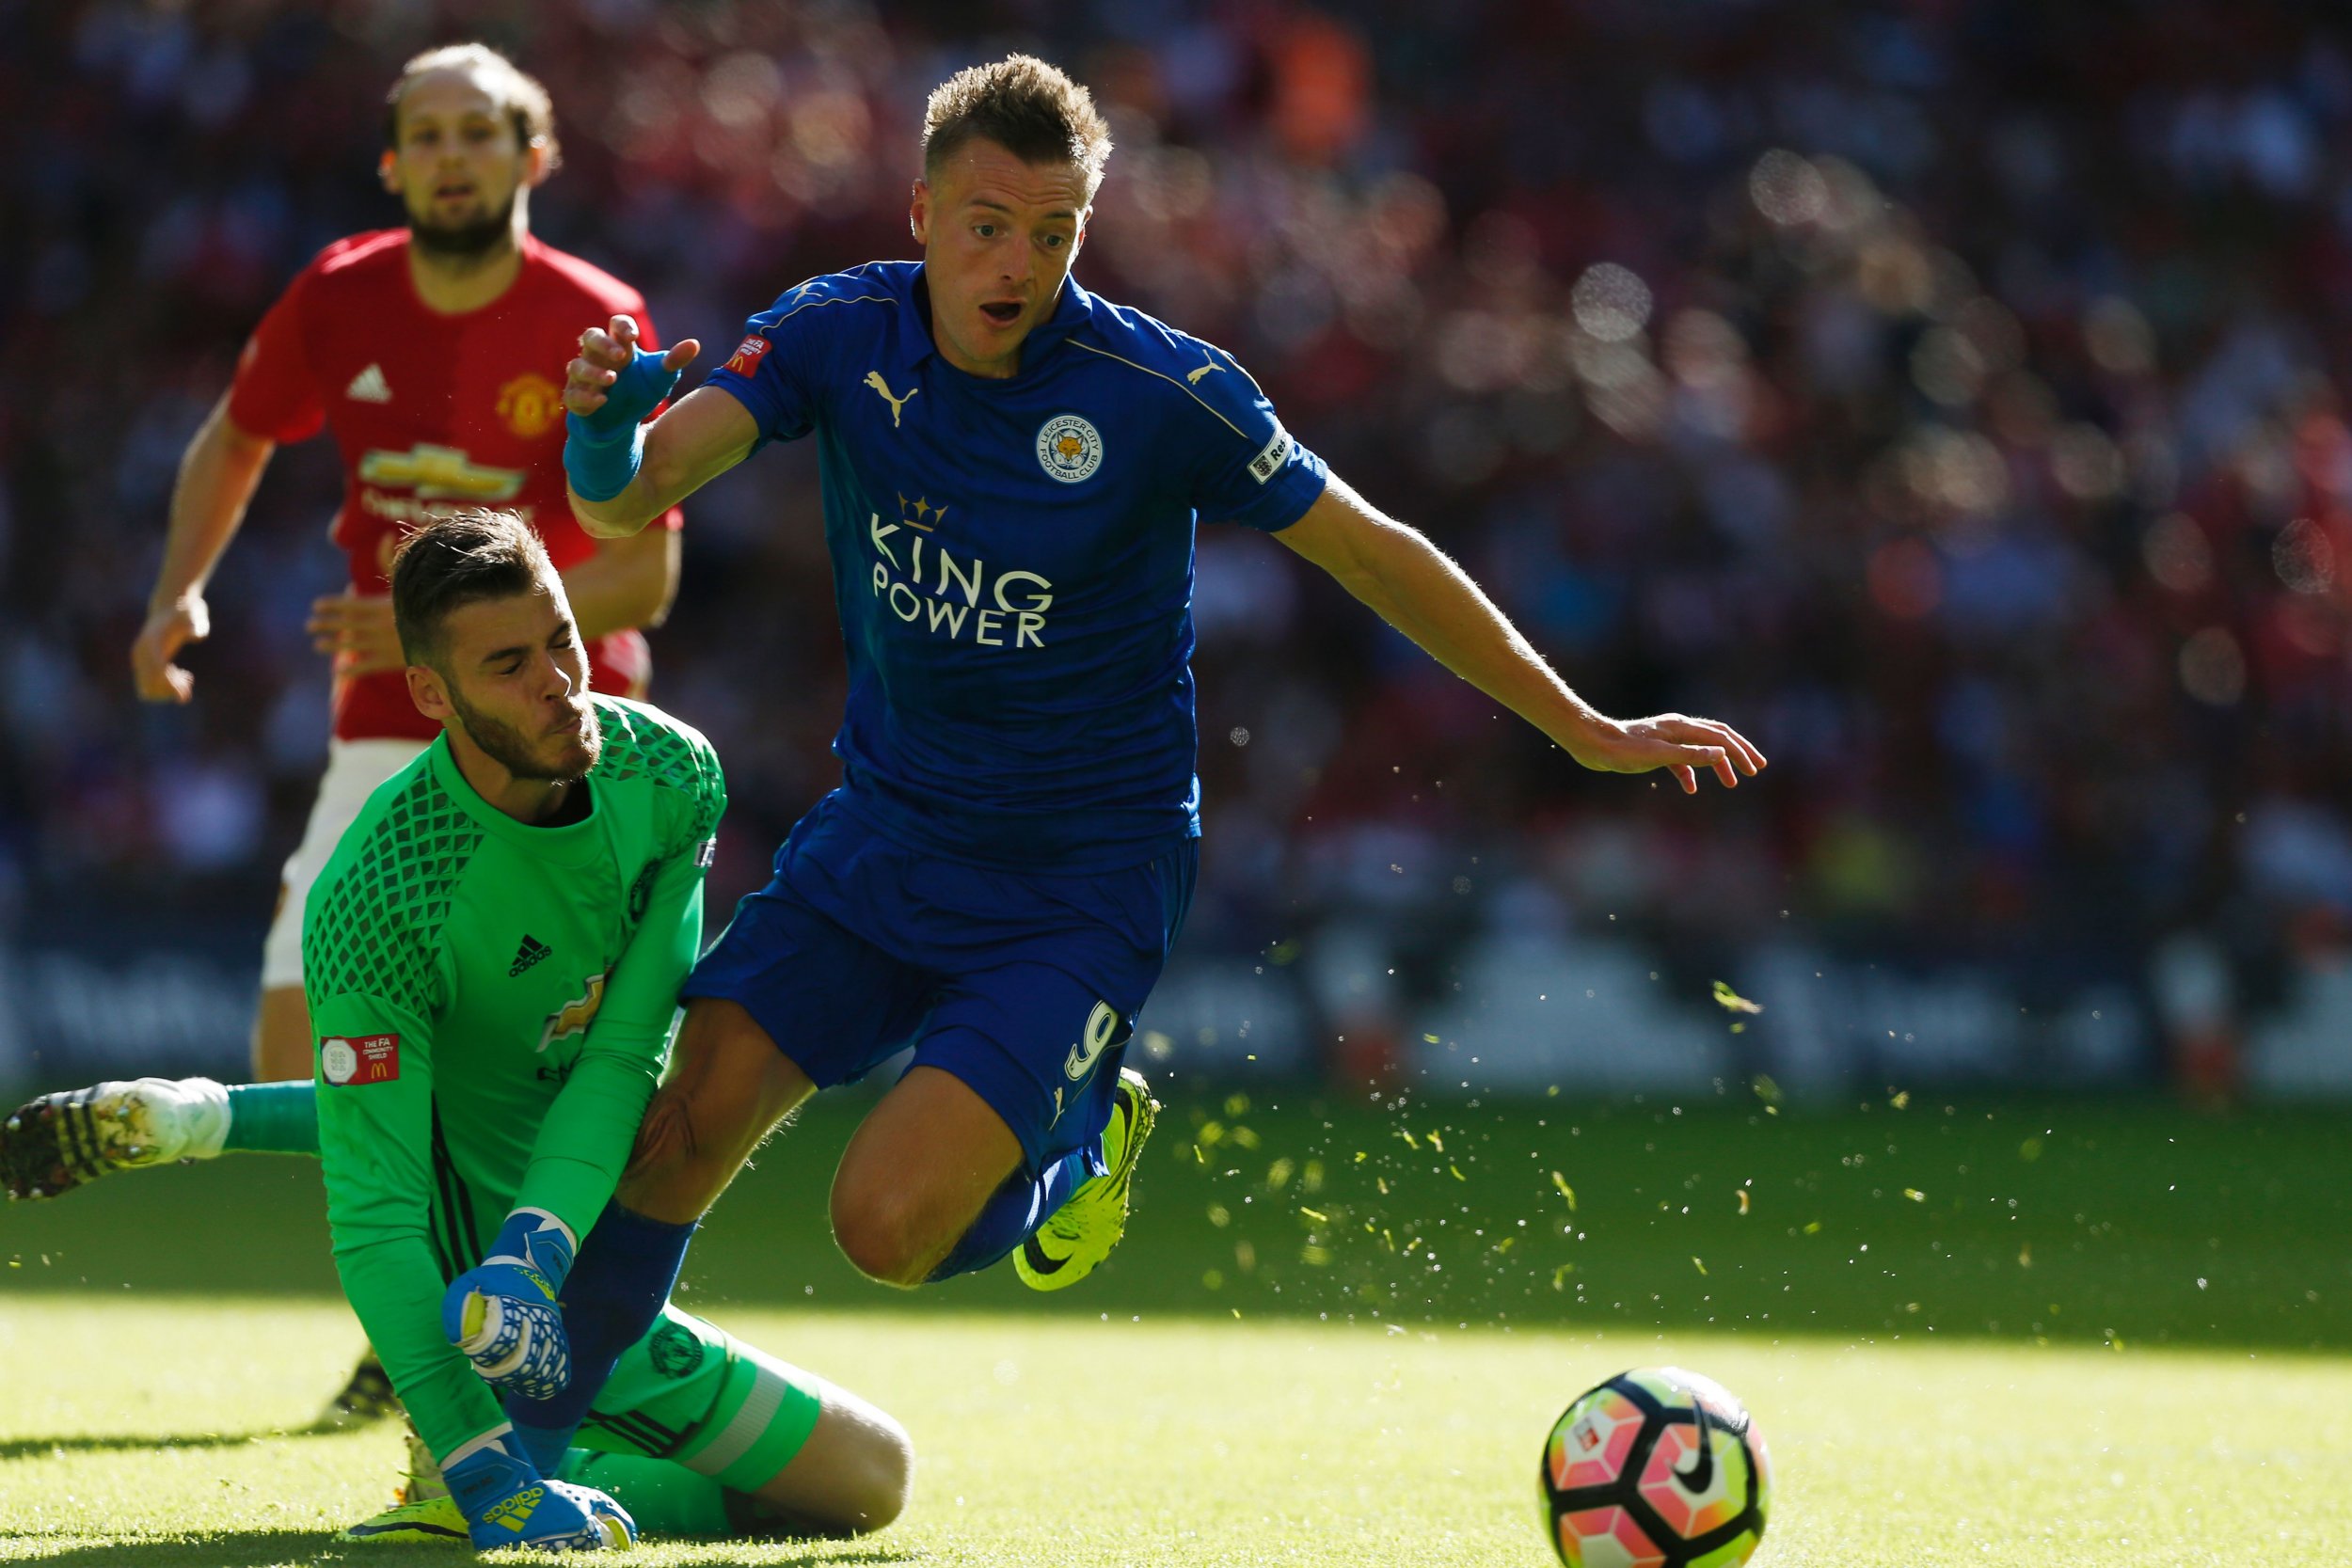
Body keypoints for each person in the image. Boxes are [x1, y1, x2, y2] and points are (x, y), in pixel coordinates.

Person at [532, 53, 1766, 1396]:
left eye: (1054, 233)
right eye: (990, 224)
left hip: (1080, 880)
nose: (1020, 262)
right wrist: (601, 437)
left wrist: (1578, 722)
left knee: (882, 1229)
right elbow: (632, 493)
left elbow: (1375, 551)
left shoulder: (1157, 391)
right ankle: (531, 1460)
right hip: (887, 833)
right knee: (674, 1133)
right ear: (922, 217)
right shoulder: (839, 331)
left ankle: (1068, 1148)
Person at [4, 511, 910, 1548]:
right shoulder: (379, 889)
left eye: (562, 639)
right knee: (401, 1153)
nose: (559, 683)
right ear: (432, 695)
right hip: (465, 1307)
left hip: (573, 1266)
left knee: (872, 1477)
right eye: (509, 665)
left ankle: (563, 1464)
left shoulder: (668, 775)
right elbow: (379, 1214)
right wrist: (487, 1478)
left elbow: (619, 1057)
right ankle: (468, 1461)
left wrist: (535, 1250)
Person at [126, 40, 685, 1424]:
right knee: (294, 1037)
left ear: (530, 157)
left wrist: (440, 632)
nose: (451, 155)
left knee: (559, 1049)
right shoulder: (340, 293)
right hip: (387, 724)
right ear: (393, 164)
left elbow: (647, 573)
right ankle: (446, 1295)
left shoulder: (593, 315)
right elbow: (235, 434)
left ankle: (510, 1311)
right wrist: (176, 592)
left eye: (480, 132)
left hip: (561, 741)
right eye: (426, 135)